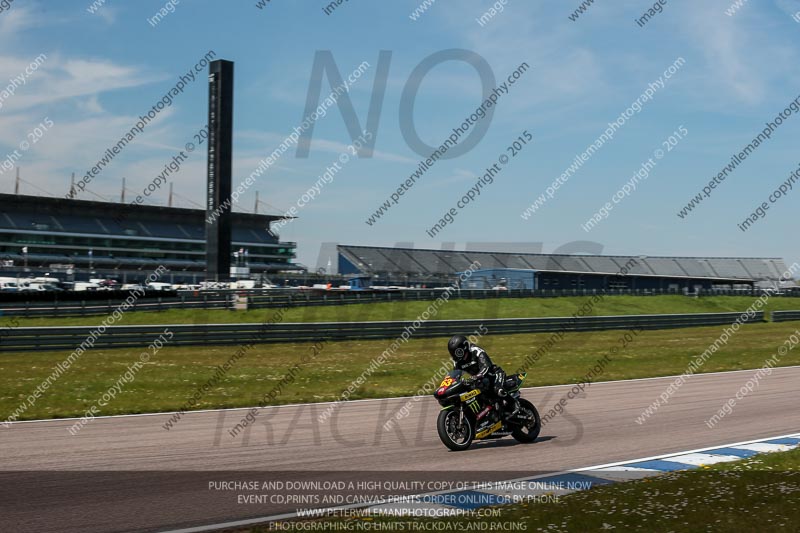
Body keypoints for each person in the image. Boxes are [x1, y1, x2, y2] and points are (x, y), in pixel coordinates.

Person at [447, 334, 520, 417]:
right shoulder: (457, 362)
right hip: (479, 380)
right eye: (453, 353)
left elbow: (486, 366)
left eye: (458, 352)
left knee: (498, 390)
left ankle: (514, 404)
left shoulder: (476, 351)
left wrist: (475, 377)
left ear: (465, 347)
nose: (455, 355)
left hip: (494, 374)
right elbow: (455, 375)